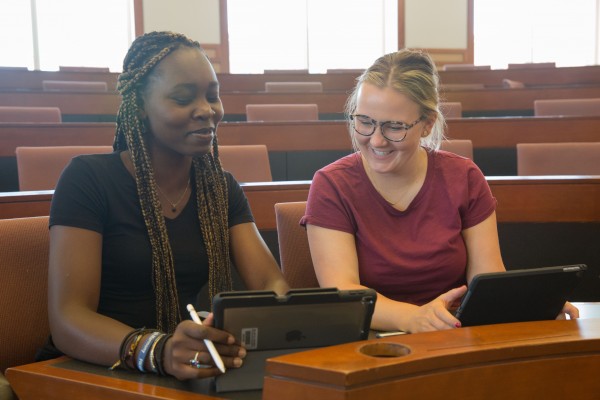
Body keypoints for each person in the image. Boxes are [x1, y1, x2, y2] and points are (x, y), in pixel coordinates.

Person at [44, 31, 289, 380]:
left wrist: (242, 321)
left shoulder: (220, 188)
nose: (206, 111)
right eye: (183, 98)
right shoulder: (87, 179)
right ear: (141, 105)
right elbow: (68, 318)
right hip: (95, 365)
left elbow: (271, 283)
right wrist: (156, 351)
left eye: (213, 96)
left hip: (182, 366)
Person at [301, 49, 578, 334]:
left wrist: (533, 306)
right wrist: (412, 318)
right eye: (365, 122)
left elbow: (489, 277)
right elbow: (346, 292)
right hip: (372, 340)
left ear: (427, 124)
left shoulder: (464, 177)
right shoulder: (332, 185)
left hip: (453, 333)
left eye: (395, 127)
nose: (377, 140)